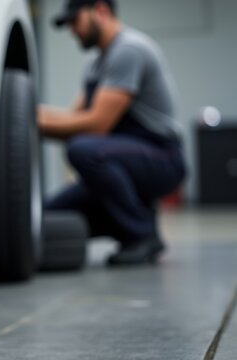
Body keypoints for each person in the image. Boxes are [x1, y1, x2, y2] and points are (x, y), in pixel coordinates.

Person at [38, 0, 187, 265]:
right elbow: (74, 118)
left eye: (75, 21)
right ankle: (127, 220)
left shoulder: (129, 50)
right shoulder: (96, 65)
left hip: (162, 157)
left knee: (83, 150)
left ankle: (142, 234)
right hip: (123, 155)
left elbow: (96, 125)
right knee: (48, 212)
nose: (72, 30)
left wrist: (35, 123)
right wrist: (26, 114)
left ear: (101, 11)